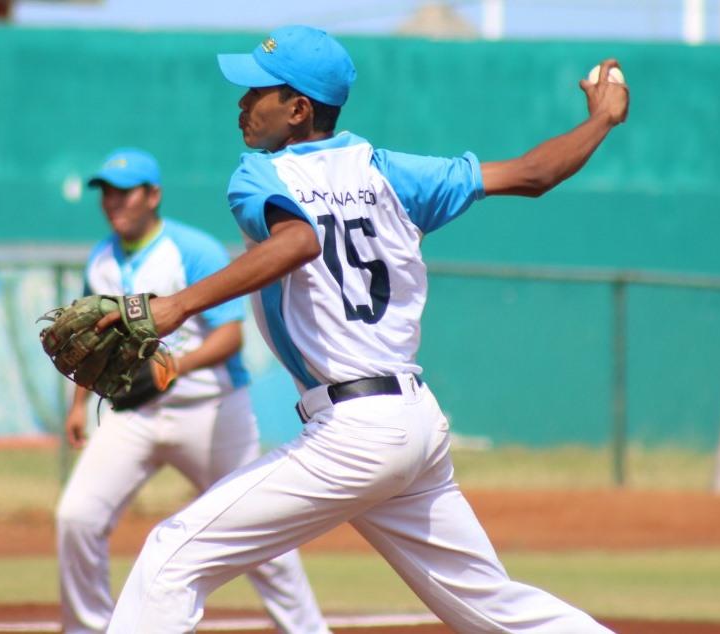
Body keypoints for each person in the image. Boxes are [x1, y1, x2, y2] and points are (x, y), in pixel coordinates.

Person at [103, 26, 630, 633]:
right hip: (414, 423)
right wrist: (602, 121)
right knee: (491, 604)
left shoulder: (259, 175)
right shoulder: (394, 174)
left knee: (171, 559)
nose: (243, 103)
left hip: (353, 432)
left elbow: (298, 241)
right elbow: (534, 173)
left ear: (298, 109)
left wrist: (175, 308)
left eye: (257, 91)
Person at [53, 147, 329, 634]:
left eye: (125, 192)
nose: (113, 202)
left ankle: (308, 630)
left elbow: (230, 335)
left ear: (153, 195)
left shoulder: (192, 249)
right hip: (132, 416)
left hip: (212, 413)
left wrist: (173, 367)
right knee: (77, 517)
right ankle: (89, 627)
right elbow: (92, 348)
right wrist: (80, 403)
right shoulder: (100, 259)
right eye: (106, 193)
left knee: (261, 539)